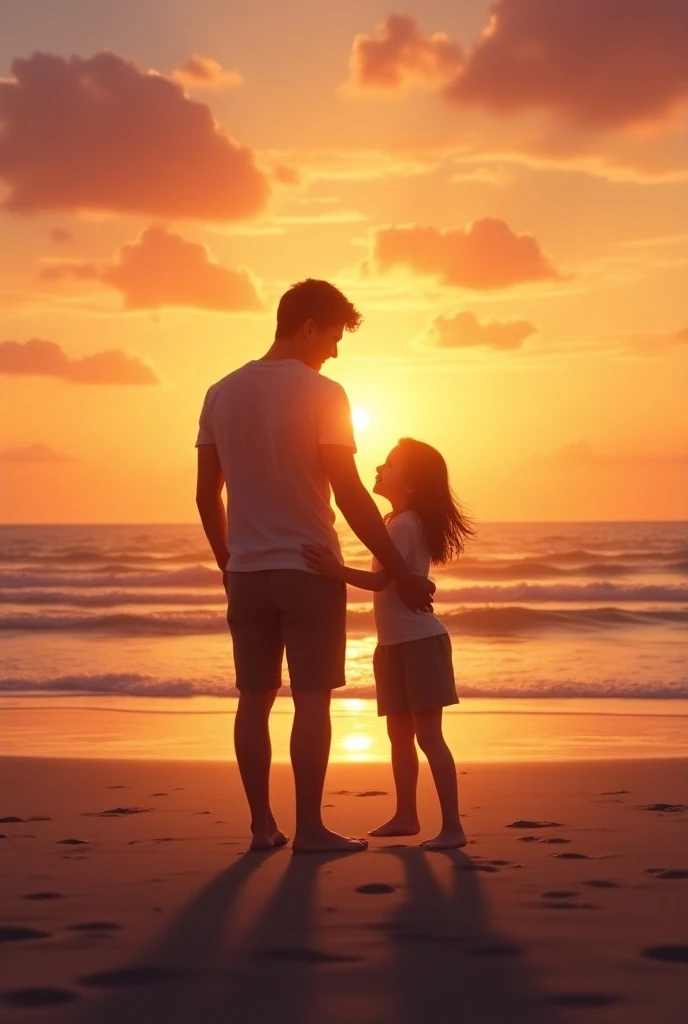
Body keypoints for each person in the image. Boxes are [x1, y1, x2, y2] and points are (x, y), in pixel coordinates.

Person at [195, 280, 435, 854]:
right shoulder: (325, 393)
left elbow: (207, 497)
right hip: (309, 573)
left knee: (253, 700)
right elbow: (350, 493)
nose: (334, 350)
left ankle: (261, 828)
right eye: (332, 335)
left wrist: (230, 564)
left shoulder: (219, 393)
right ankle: (309, 830)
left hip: (248, 574)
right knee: (311, 701)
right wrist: (399, 572)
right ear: (308, 326)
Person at [303, 438, 473, 850]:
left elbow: (382, 580)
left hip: (419, 642)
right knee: (399, 736)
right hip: (393, 644)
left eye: (391, 464)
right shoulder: (396, 518)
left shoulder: (404, 523)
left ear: (412, 484)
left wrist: (333, 570)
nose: (379, 467)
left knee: (428, 737)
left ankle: (453, 827)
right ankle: (406, 815)